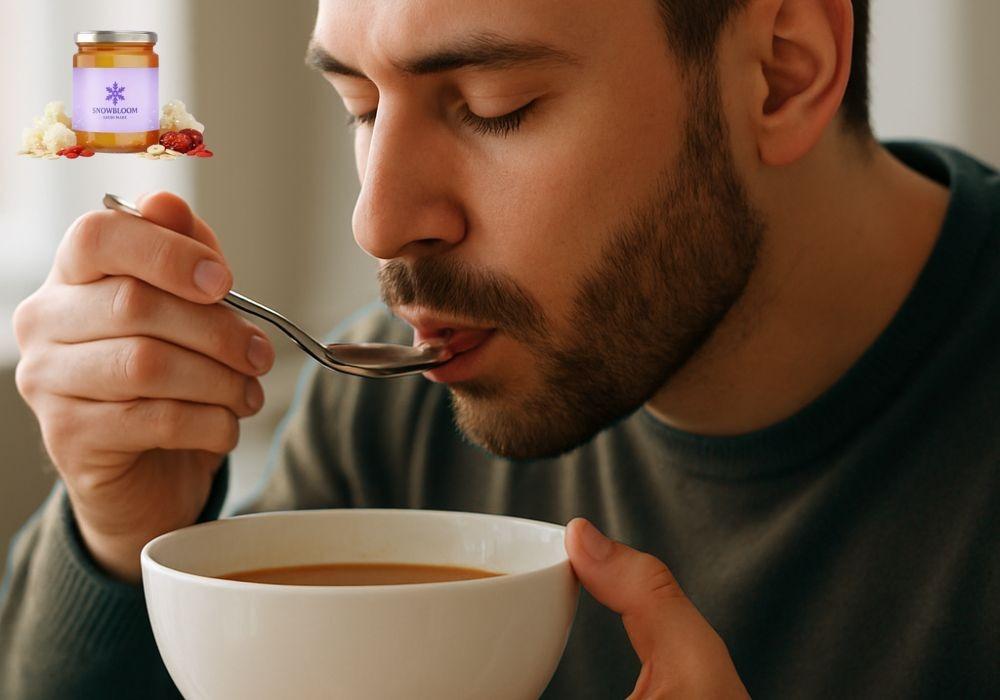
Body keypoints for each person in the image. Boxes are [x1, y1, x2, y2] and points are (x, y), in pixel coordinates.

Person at [2, 0, 997, 697]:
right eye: (358, 107)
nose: (378, 221)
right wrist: (123, 537)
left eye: (493, 106)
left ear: (781, 73)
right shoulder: (390, 409)